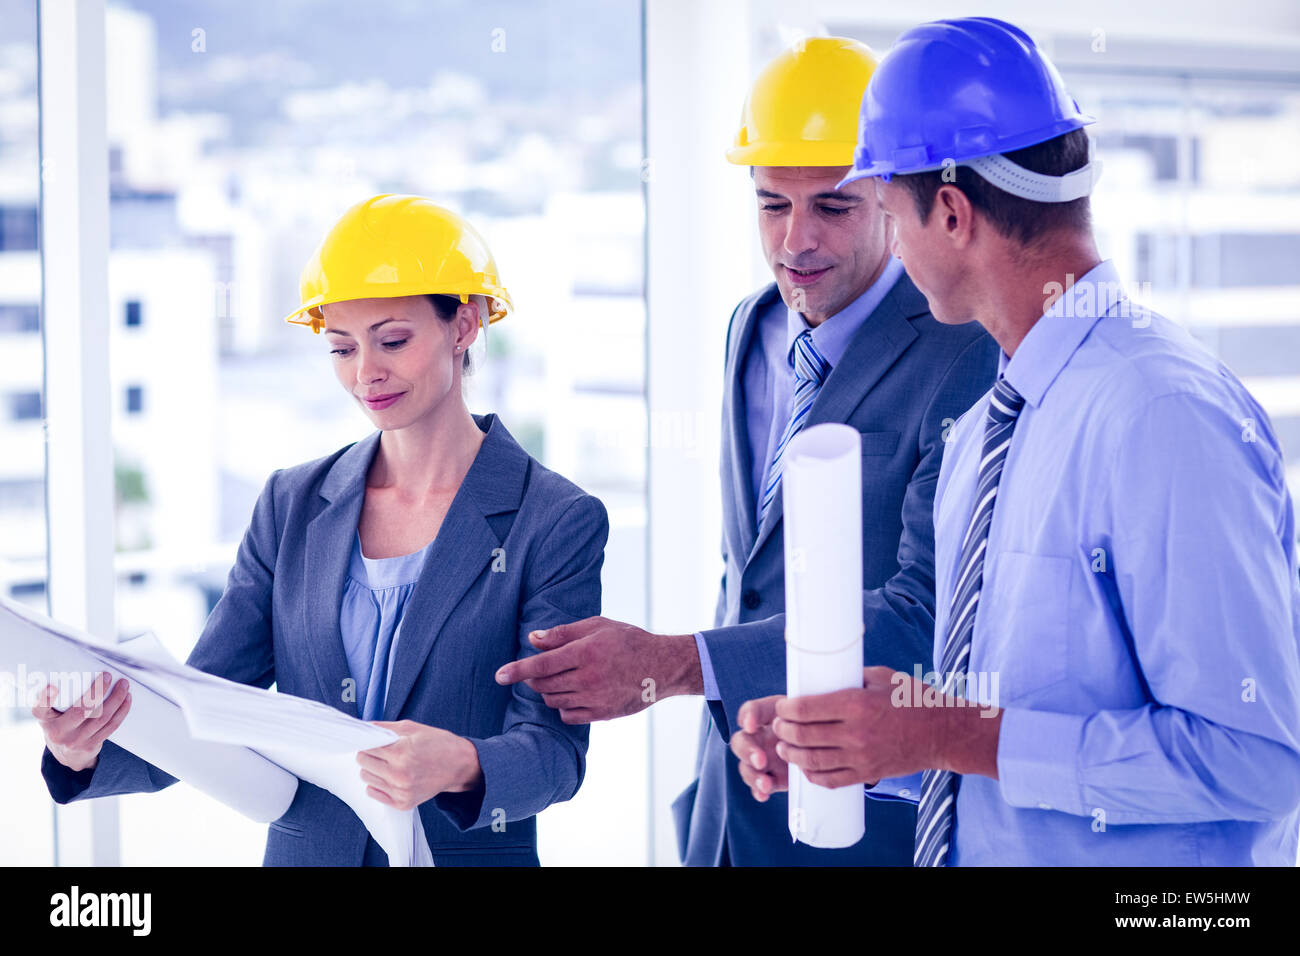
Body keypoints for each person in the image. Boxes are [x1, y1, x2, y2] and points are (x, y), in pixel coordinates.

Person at [735, 17, 1300, 866]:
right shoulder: (992, 430)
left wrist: (958, 734)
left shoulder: (1160, 417)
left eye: (887, 211)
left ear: (953, 214)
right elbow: (1021, 748)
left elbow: (1260, 759)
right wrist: (866, 745)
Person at [495, 37, 997, 865]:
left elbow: (922, 616)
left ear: (892, 198)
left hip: (869, 819)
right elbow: (751, 575)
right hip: (729, 802)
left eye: (833, 207)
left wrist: (671, 662)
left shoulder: (963, 348)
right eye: (772, 204)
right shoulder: (753, 325)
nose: (797, 240)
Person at [34, 194, 609, 867]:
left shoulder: (555, 519)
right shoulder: (291, 505)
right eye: (341, 347)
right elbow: (205, 707)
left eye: (393, 339)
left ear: (466, 323)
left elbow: (556, 754)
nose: (366, 372)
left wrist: (459, 763)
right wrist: (82, 750)